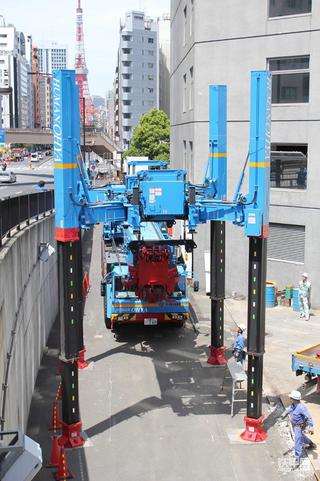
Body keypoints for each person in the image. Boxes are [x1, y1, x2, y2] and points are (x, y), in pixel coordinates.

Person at [282, 390, 315, 467]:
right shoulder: (293, 405)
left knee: (297, 440)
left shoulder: (301, 408)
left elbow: (309, 417)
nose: (290, 399)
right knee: (301, 437)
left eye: (291, 398)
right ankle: (310, 443)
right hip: (294, 425)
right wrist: (283, 414)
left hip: (299, 427)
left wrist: (311, 426)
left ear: (295, 399)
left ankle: (297, 458)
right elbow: (289, 409)